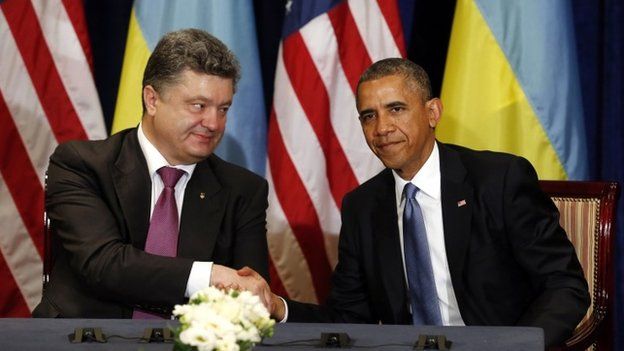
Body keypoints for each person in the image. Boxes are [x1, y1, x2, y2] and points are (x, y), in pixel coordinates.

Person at [242, 58, 589, 348]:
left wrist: (514, 347)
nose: (382, 128)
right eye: (368, 116)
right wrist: (277, 306)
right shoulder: (362, 207)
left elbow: (564, 286)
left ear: (432, 112)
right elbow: (348, 318)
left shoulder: (498, 180)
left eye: (396, 109)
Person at [33, 29, 270, 318]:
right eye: (199, 106)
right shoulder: (82, 164)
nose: (213, 123)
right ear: (152, 100)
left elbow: (248, 295)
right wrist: (209, 276)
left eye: (223, 109)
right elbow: (103, 264)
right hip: (83, 339)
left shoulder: (244, 190)